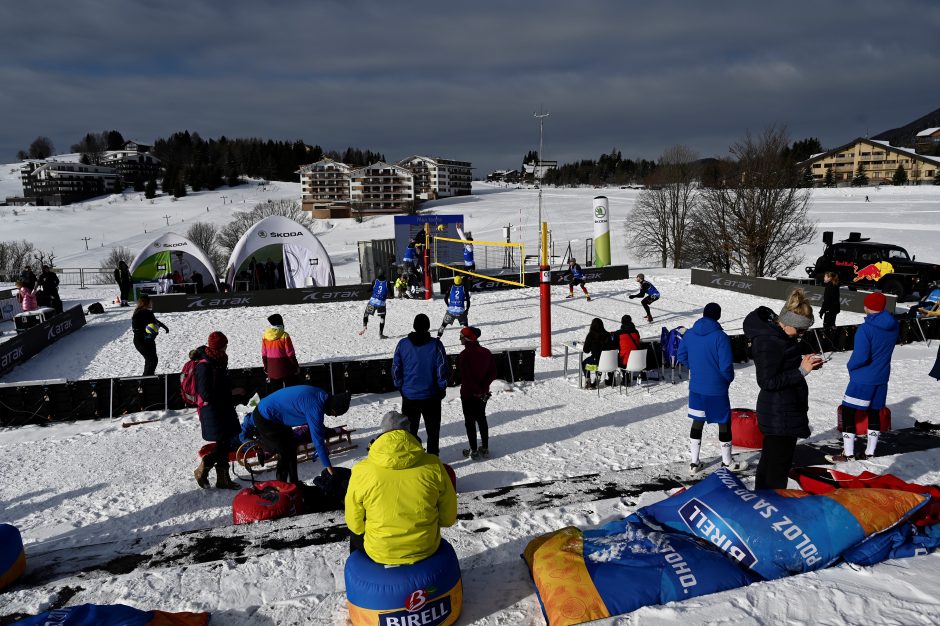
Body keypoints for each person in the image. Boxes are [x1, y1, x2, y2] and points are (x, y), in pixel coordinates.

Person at [344, 410, 457, 564]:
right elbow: (448, 518)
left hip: (380, 552)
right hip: (425, 547)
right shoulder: (433, 464)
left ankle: (360, 572)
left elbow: (354, 522)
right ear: (409, 433)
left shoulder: (362, 469)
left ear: (382, 434)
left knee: (355, 532)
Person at [743, 288, 823, 490]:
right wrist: (801, 372)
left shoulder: (781, 336)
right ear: (787, 323)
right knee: (776, 469)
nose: (802, 335)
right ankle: (770, 507)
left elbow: (783, 365)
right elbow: (767, 381)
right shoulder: (768, 341)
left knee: (774, 464)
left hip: (785, 409)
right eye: (800, 330)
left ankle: (764, 503)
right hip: (778, 413)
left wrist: (804, 363)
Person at [827, 292, 898, 462]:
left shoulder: (865, 329)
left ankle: (849, 453)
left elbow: (861, 357)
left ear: (867, 307)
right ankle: (870, 452)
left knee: (848, 413)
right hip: (882, 377)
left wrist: (850, 366)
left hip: (863, 378)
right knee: (874, 413)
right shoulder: (894, 325)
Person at [677, 303, 738, 474]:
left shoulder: (689, 334)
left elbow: (681, 356)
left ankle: (694, 463)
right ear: (718, 316)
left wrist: (695, 368)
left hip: (696, 386)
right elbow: (726, 365)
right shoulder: (721, 337)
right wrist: (726, 379)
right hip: (716, 387)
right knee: (724, 422)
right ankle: (727, 462)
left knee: (697, 421)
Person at [251, 385, 352, 484]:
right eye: (336, 414)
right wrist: (331, 470)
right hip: (265, 417)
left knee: (291, 446)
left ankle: (294, 483)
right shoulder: (315, 408)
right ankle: (281, 486)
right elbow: (318, 442)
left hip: (277, 415)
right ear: (333, 408)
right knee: (285, 451)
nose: (334, 416)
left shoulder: (321, 395)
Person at [393, 314, 449, 456]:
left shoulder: (403, 344)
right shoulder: (436, 344)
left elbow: (395, 368)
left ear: (414, 326)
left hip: (410, 396)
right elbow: (442, 368)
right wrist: (442, 387)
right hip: (431, 396)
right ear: (428, 327)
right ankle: (433, 459)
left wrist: (400, 386)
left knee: (410, 433)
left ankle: (412, 460)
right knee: (433, 432)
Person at [192, 332, 242, 490]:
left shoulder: (218, 361)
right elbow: (206, 393)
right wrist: (231, 392)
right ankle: (205, 464)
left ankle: (223, 479)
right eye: (225, 345)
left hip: (223, 408)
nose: (226, 348)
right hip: (212, 410)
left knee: (225, 443)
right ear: (219, 346)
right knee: (222, 444)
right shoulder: (204, 365)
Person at [457, 326, 497, 459]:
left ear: (467, 338)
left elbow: (466, 377)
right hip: (483, 395)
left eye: (461, 336)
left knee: (470, 422)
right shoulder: (486, 352)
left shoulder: (464, 355)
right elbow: (492, 373)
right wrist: (483, 390)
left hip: (468, 394)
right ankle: (485, 448)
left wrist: (477, 391)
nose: (460, 339)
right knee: (481, 418)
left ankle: (473, 450)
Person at [131, 294, 168, 375]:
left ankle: (149, 377)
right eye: (150, 302)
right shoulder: (138, 314)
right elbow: (135, 330)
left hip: (150, 340)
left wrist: (163, 326)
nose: (152, 303)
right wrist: (146, 335)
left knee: (153, 360)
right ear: (146, 303)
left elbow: (155, 321)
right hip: (141, 341)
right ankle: (145, 380)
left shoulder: (149, 312)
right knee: (151, 360)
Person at [262, 313, 299, 391]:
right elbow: (290, 353)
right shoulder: (284, 335)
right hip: (286, 369)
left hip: (272, 370)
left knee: (276, 393)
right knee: (290, 391)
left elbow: (264, 353)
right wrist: (296, 366)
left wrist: (266, 367)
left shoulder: (265, 336)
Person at [582, 318, 616, 389]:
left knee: (585, 363)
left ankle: (588, 381)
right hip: (607, 361)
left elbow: (586, 350)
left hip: (597, 360)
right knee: (598, 362)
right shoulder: (607, 334)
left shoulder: (591, 335)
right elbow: (612, 347)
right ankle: (598, 378)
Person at [359, 272, 389, 338]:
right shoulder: (387, 282)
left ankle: (364, 325)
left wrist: (369, 290)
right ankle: (380, 334)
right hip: (381, 303)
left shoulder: (375, 281)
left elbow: (369, 290)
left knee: (366, 314)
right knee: (382, 318)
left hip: (372, 301)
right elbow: (391, 294)